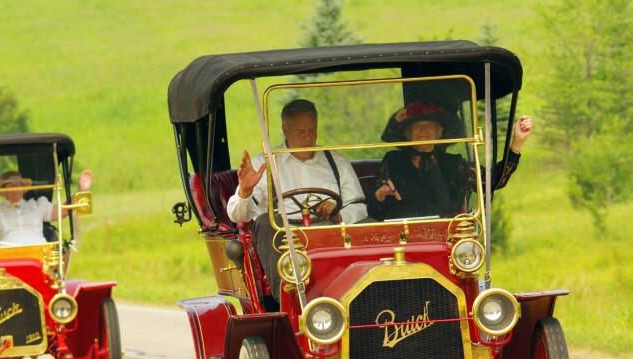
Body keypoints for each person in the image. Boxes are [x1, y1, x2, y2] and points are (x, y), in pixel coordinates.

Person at [226, 99, 367, 302]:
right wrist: (245, 191)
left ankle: (361, 292)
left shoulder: (336, 161)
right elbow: (237, 215)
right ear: (285, 129)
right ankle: (287, 300)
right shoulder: (264, 163)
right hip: (284, 236)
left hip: (329, 231)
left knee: (369, 225)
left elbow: (359, 206)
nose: (308, 137)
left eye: (312, 130)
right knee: (265, 222)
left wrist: (338, 214)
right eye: (301, 131)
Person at [369, 101, 533, 220]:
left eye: (430, 126)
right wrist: (381, 194)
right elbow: (374, 208)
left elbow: (492, 182)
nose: (424, 130)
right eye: (417, 126)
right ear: (407, 133)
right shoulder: (393, 160)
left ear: (440, 133)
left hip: (449, 239)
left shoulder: (455, 164)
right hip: (402, 238)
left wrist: (516, 143)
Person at [0, 169, 93, 246]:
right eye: (10, 186)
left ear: (23, 188)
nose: (15, 189)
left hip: (39, 252)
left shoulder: (37, 206)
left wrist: (81, 191)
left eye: (17, 185)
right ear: (3, 191)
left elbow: (62, 212)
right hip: (9, 255)